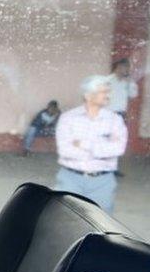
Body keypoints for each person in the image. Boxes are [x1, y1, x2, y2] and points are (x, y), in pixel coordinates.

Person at [54, 75, 128, 214]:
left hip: (103, 181)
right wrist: (102, 150)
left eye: (108, 91)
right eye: (103, 92)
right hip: (70, 179)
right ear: (88, 95)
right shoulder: (68, 118)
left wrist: (84, 144)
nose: (108, 95)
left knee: (102, 223)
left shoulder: (115, 120)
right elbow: (65, 151)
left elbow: (118, 149)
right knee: (65, 219)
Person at [106, 58, 138, 177]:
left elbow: (133, 95)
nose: (127, 70)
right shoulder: (107, 81)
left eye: (128, 67)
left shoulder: (127, 82)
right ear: (118, 67)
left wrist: (130, 81)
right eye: (125, 67)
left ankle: (113, 168)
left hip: (120, 115)